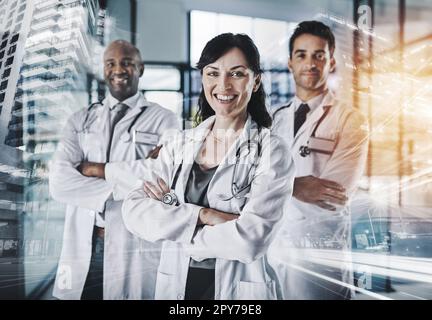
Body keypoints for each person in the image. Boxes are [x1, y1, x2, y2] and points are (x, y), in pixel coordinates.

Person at [121, 33, 295, 300]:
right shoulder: (179, 143)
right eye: (213, 73)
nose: (223, 85)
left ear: (256, 80)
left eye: (236, 74)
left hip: (240, 292)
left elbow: (251, 241)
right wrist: (202, 217)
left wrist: (174, 225)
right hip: (177, 285)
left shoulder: (272, 151)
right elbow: (133, 211)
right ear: (202, 78)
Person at [48, 40, 179, 299]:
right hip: (85, 242)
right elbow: (59, 183)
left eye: (127, 63)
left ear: (140, 69)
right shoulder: (80, 119)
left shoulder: (165, 119)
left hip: (133, 242)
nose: (118, 69)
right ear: (103, 69)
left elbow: (163, 177)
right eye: (111, 63)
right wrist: (132, 181)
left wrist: (95, 169)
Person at [268, 21, 369, 299]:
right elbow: (248, 181)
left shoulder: (351, 120)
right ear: (290, 62)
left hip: (319, 253)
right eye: (301, 54)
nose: (309, 63)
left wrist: (271, 186)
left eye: (318, 55)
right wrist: (296, 186)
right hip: (273, 249)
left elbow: (333, 194)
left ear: (331, 61)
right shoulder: (275, 118)